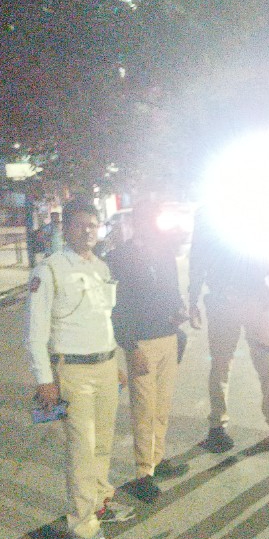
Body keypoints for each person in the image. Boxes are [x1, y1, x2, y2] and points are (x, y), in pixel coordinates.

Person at [25, 196, 134, 539]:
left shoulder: (101, 267)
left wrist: (114, 361)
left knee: (102, 443)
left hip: (104, 366)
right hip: (72, 371)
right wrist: (45, 379)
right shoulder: (50, 270)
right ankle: (82, 530)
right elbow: (35, 333)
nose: (88, 231)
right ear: (66, 229)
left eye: (93, 225)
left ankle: (100, 502)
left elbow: (103, 319)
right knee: (82, 451)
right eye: (80, 225)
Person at [188, 207, 269, 454]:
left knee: (261, 366)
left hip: (251, 300)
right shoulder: (214, 214)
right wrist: (193, 299)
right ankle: (226, 425)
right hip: (229, 301)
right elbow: (197, 259)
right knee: (224, 366)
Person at [107, 203, 190, 504]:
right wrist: (130, 346)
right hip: (141, 344)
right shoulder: (120, 257)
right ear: (135, 222)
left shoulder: (164, 251)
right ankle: (143, 473)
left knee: (162, 406)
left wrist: (179, 309)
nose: (151, 225)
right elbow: (116, 308)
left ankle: (157, 458)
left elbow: (173, 289)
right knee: (143, 410)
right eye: (145, 220)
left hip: (168, 337)